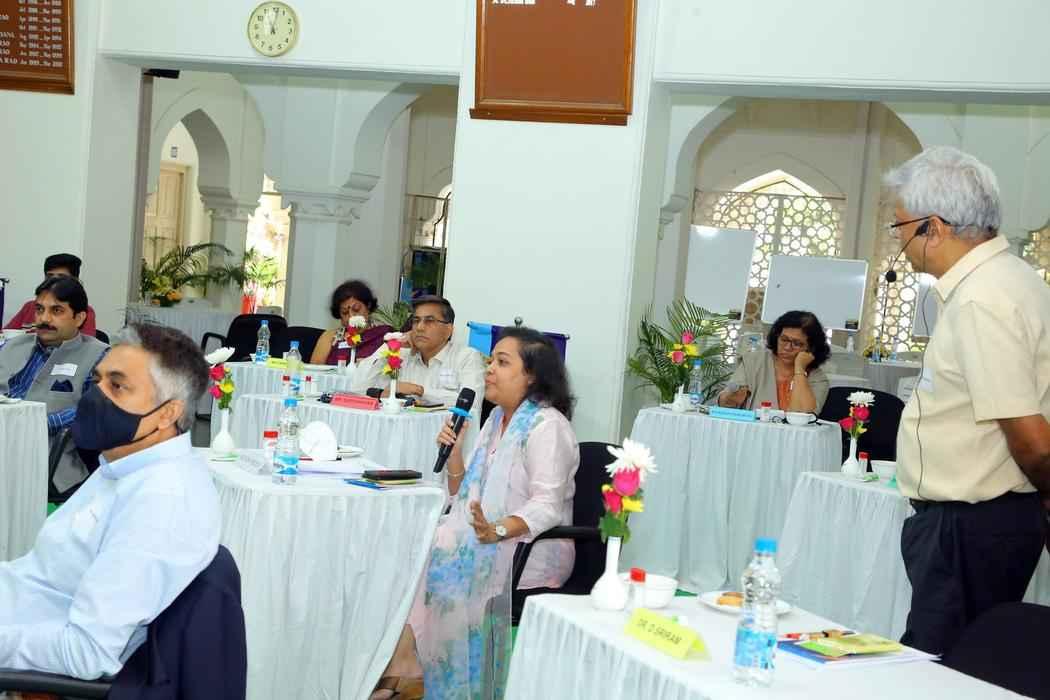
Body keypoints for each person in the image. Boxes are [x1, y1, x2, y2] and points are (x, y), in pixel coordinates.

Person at [884, 146, 1050, 655]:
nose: (898, 241)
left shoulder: (983, 298)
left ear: (932, 228)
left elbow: (1032, 439)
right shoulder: (1014, 279)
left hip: (970, 527)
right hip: (986, 521)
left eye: (899, 226)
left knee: (940, 668)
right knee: (962, 660)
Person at [0, 322, 221, 679]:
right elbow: (42, 576)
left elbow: (86, 653)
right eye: (98, 380)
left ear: (167, 413)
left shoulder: (160, 502)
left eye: (117, 386)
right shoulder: (124, 463)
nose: (95, 396)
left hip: (24, 639)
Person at [375, 327, 580, 700]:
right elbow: (462, 495)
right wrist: (454, 453)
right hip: (482, 536)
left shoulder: (548, 427)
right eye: (490, 361)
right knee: (422, 539)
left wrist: (497, 530)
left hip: (530, 549)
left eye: (502, 362)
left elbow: (547, 506)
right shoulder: (495, 420)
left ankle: (407, 667)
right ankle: (407, 663)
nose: (489, 370)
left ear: (531, 376)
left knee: (439, 545)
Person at [0, 276, 108, 495]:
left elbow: (92, 409)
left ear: (79, 318)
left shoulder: (98, 355)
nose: (44, 318)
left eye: (56, 311)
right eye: (39, 309)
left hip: (48, 459)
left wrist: (29, 423)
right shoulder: (12, 345)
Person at [352, 295, 486, 408]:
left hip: (448, 431)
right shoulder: (402, 355)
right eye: (416, 321)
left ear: (448, 330)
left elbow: (472, 404)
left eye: (429, 321)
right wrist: (390, 347)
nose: (420, 327)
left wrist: (419, 391)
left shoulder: (467, 357)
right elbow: (358, 390)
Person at [717, 310, 831, 413]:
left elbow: (804, 416)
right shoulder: (753, 361)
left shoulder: (817, 378)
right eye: (784, 339)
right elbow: (724, 403)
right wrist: (728, 399)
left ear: (811, 348)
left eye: (797, 343)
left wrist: (800, 370)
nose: (787, 347)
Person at [4, 253, 98, 337]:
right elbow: (5, 335)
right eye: (50, 276)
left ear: (75, 281)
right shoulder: (29, 306)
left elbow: (84, 346)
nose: (54, 282)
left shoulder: (82, 311)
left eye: (62, 277)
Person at [309, 279, 393, 364]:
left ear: (368, 306)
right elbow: (314, 368)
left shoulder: (385, 335)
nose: (351, 316)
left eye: (356, 309)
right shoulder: (330, 337)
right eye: (345, 312)